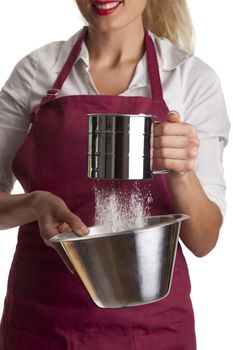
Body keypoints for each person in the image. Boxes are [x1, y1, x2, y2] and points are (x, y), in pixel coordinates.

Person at [0, 0, 230, 349]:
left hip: (153, 333)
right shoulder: (36, 71)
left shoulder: (190, 79)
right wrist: (35, 204)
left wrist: (182, 173)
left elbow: (204, 241)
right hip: (41, 327)